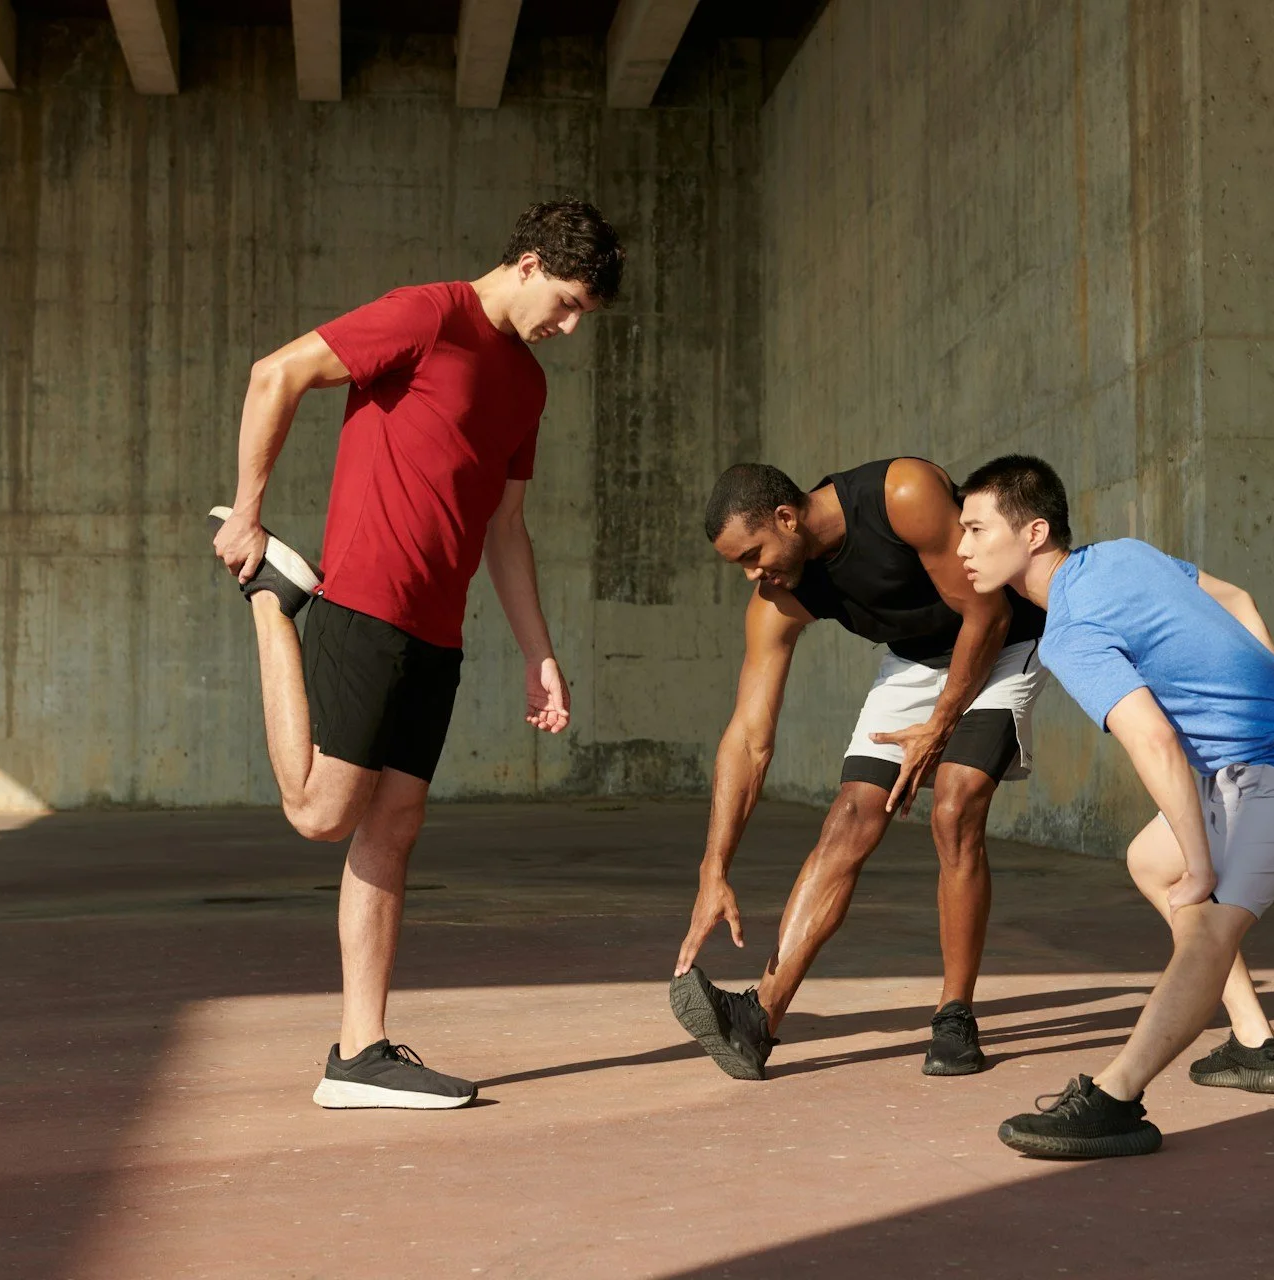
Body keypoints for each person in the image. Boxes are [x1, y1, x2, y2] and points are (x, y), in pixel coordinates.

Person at [207, 200, 623, 1109]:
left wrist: (537, 651)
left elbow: (506, 526)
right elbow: (275, 373)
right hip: (362, 602)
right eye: (564, 303)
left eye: (581, 315)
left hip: (439, 630)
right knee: (322, 813)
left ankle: (360, 1054)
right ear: (524, 263)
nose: (566, 326)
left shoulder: (530, 388)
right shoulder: (430, 314)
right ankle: (274, 603)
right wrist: (247, 511)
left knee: (390, 832)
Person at [954, 455, 1274, 1158]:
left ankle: (1116, 1099)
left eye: (977, 529)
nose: (961, 548)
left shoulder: (1069, 631)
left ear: (1034, 532)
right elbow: (1239, 601)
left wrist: (1202, 861)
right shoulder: (1124, 555)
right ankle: (1256, 1047)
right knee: (1151, 862)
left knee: (1202, 920)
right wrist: (1269, 694)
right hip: (1265, 754)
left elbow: (1155, 739)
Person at [669, 458, 1047, 1079]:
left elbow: (989, 614)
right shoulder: (778, 598)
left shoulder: (901, 494)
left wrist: (941, 725)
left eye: (755, 554)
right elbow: (748, 737)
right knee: (849, 816)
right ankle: (756, 1020)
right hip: (915, 664)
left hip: (1001, 645)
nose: (752, 574)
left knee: (955, 804)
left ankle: (955, 1016)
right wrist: (714, 868)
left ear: (788, 517)